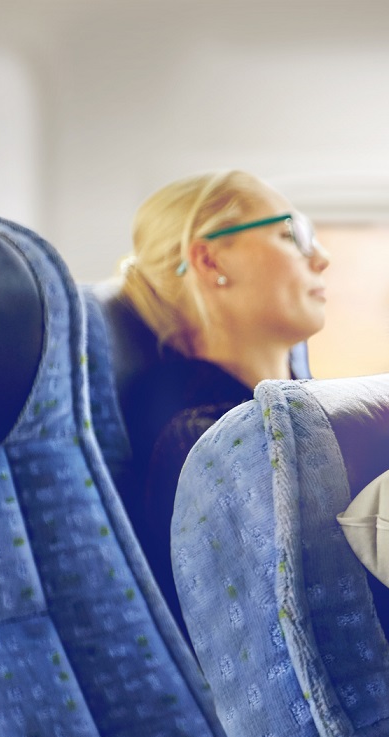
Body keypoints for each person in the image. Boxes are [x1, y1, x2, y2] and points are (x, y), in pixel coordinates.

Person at [114, 170, 329, 637]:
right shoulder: (196, 429)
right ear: (210, 261)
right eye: (291, 234)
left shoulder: (286, 403)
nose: (322, 258)